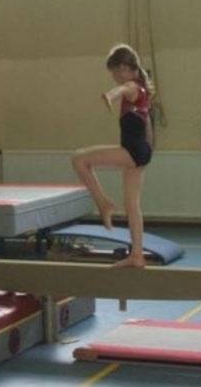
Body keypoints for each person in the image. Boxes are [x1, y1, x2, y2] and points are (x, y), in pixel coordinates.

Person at [72, 44, 154, 268]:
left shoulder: (131, 86)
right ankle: (137, 255)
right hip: (141, 151)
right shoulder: (142, 90)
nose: (114, 78)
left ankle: (103, 203)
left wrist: (110, 95)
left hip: (133, 151)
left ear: (125, 69)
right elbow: (147, 124)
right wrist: (148, 150)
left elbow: (121, 90)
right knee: (132, 205)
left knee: (79, 159)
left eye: (115, 73)